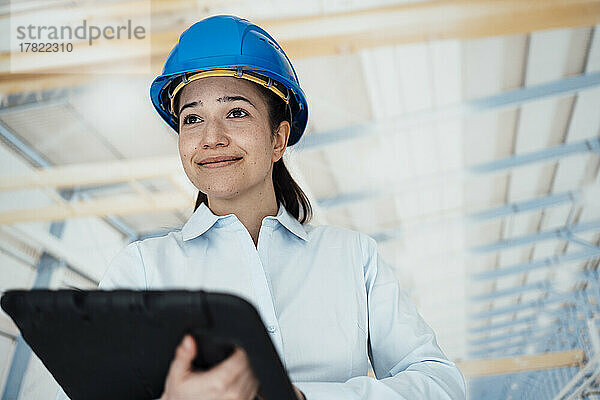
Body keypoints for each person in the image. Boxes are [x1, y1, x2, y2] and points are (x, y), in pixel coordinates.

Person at [56, 15, 465, 400]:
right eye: (192, 119)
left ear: (278, 139)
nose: (211, 137)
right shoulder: (142, 269)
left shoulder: (353, 258)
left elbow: (440, 384)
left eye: (236, 112)